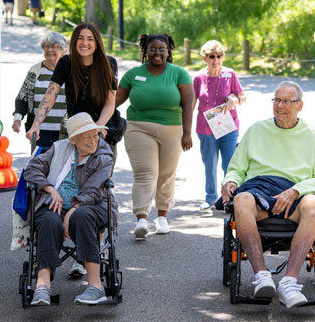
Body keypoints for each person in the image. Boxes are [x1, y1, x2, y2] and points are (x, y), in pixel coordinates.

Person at [220, 81, 315, 308]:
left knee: (313, 203)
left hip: (295, 195)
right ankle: (262, 277)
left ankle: (289, 283)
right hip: (259, 191)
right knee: (241, 199)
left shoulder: (312, 135)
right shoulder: (257, 130)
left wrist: (295, 190)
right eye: (277, 100)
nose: (280, 106)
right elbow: (236, 168)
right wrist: (230, 181)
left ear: (299, 106)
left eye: (286, 102)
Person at [23, 112, 118, 306]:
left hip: (93, 205)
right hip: (56, 204)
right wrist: (50, 189)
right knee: (48, 220)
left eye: (95, 134)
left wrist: (73, 210)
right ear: (73, 139)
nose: (93, 141)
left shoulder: (104, 154)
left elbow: (93, 189)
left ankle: (95, 286)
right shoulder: (59, 149)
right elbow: (32, 169)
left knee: (81, 217)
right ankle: (43, 286)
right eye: (87, 137)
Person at [116, 33, 194, 239]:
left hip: (172, 129)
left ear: (168, 51)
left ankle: (162, 217)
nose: (157, 53)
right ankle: (141, 218)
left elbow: (188, 104)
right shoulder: (133, 74)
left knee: (166, 174)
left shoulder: (179, 74)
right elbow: (114, 101)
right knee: (146, 172)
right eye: (152, 49)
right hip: (138, 128)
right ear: (145, 51)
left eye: (161, 49)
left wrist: (187, 133)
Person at [27, 23, 119, 156]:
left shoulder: (109, 64)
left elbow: (110, 103)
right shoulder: (66, 62)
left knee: (100, 175)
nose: (85, 43)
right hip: (74, 128)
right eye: (80, 38)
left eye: (90, 39)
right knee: (69, 174)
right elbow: (50, 96)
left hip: (102, 128)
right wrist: (36, 124)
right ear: (74, 41)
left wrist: (96, 127)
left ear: (97, 43)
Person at [193, 40, 246, 211]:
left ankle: (228, 198)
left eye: (219, 56)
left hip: (228, 127)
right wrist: (184, 127)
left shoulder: (230, 74)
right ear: (205, 58)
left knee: (229, 164)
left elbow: (242, 96)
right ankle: (209, 198)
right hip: (205, 128)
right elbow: (191, 103)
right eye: (211, 56)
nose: (216, 60)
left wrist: (235, 99)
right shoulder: (198, 77)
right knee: (209, 164)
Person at [12, 31, 69, 148]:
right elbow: (23, 97)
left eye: (54, 46)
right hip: (39, 132)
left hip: (65, 132)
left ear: (64, 51)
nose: (50, 50)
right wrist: (17, 118)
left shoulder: (71, 71)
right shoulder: (35, 71)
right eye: (47, 46)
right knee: (39, 165)